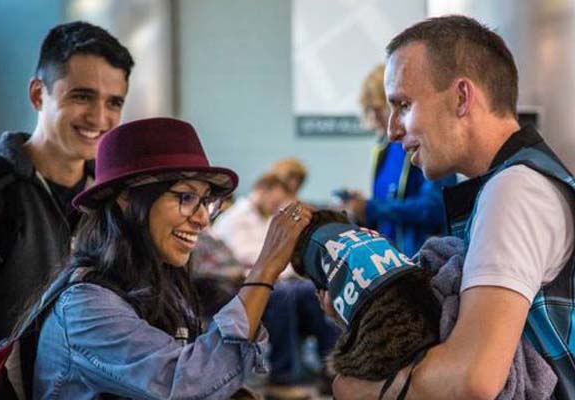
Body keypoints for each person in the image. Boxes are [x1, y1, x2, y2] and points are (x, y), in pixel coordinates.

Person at [331, 15, 575, 399]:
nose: (393, 129)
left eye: (404, 105)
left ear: (462, 97)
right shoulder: (514, 184)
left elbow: (471, 378)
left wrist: (361, 390)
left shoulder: (514, 190)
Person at [27, 117, 312, 398]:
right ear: (126, 200)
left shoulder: (165, 284)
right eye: (186, 198)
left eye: (206, 202)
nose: (202, 219)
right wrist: (264, 270)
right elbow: (189, 383)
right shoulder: (84, 306)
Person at [0, 21, 134, 360]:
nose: (99, 118)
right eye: (82, 96)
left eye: (114, 103)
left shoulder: (115, 200)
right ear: (37, 94)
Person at [214, 173, 339, 399]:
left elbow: (278, 255)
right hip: (238, 286)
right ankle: (282, 378)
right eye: (274, 200)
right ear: (262, 189)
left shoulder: (264, 217)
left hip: (274, 279)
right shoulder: (234, 218)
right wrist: (278, 262)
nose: (276, 206)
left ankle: (331, 367)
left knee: (315, 290)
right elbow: (247, 257)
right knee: (285, 295)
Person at [343, 64, 455, 257]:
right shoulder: (383, 150)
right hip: (391, 262)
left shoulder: (426, 143)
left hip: (419, 261)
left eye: (377, 109)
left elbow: (434, 209)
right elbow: (386, 217)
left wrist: (371, 207)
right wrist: (361, 210)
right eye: (368, 110)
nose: (373, 117)